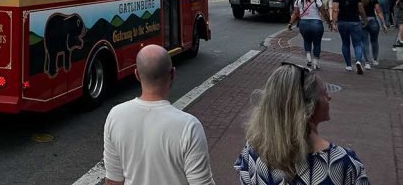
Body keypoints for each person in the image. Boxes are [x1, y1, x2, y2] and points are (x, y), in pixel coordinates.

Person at [234, 63, 370, 184]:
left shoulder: (252, 150)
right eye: (324, 93)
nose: (329, 97)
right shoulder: (341, 163)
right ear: (309, 108)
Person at [103, 45, 215, 185]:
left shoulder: (115, 116)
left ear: (137, 74)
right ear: (172, 74)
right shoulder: (189, 127)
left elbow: (112, 181)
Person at [288, 0, 328, 70]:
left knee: (306, 41)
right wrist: (329, 22)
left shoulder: (298, 1)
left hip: (304, 23)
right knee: (317, 43)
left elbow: (295, 14)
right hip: (316, 24)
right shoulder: (317, 1)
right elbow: (324, 13)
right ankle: (315, 63)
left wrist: (290, 23)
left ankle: (309, 58)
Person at [331, 0, 367, 74]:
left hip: (342, 22)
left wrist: (334, 23)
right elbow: (361, 10)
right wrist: (364, 19)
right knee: (357, 44)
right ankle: (358, 61)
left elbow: (335, 10)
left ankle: (348, 65)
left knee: (345, 43)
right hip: (355, 21)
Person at [355, 0, 387, 68]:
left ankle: (367, 62)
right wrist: (383, 23)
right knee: (374, 41)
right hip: (372, 20)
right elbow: (378, 11)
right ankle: (375, 60)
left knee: (364, 42)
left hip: (361, 20)